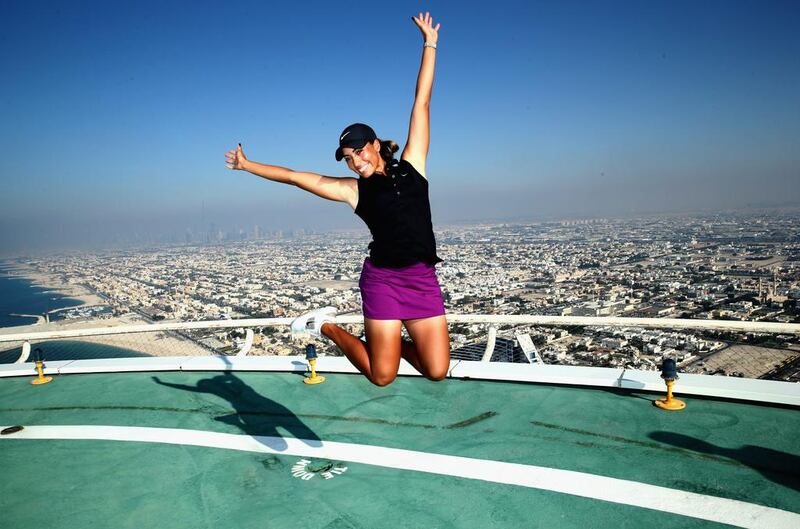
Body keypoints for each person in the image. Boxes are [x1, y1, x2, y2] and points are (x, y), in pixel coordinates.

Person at [225, 12, 448, 386]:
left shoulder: (414, 165)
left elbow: (421, 103)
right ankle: (326, 326)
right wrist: (248, 166)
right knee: (382, 376)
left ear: (375, 145)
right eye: (348, 157)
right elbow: (297, 177)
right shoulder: (353, 190)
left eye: (359, 151)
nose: (355, 161)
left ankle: (386, 349)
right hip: (383, 281)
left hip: (422, 279)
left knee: (437, 370)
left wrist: (430, 43)